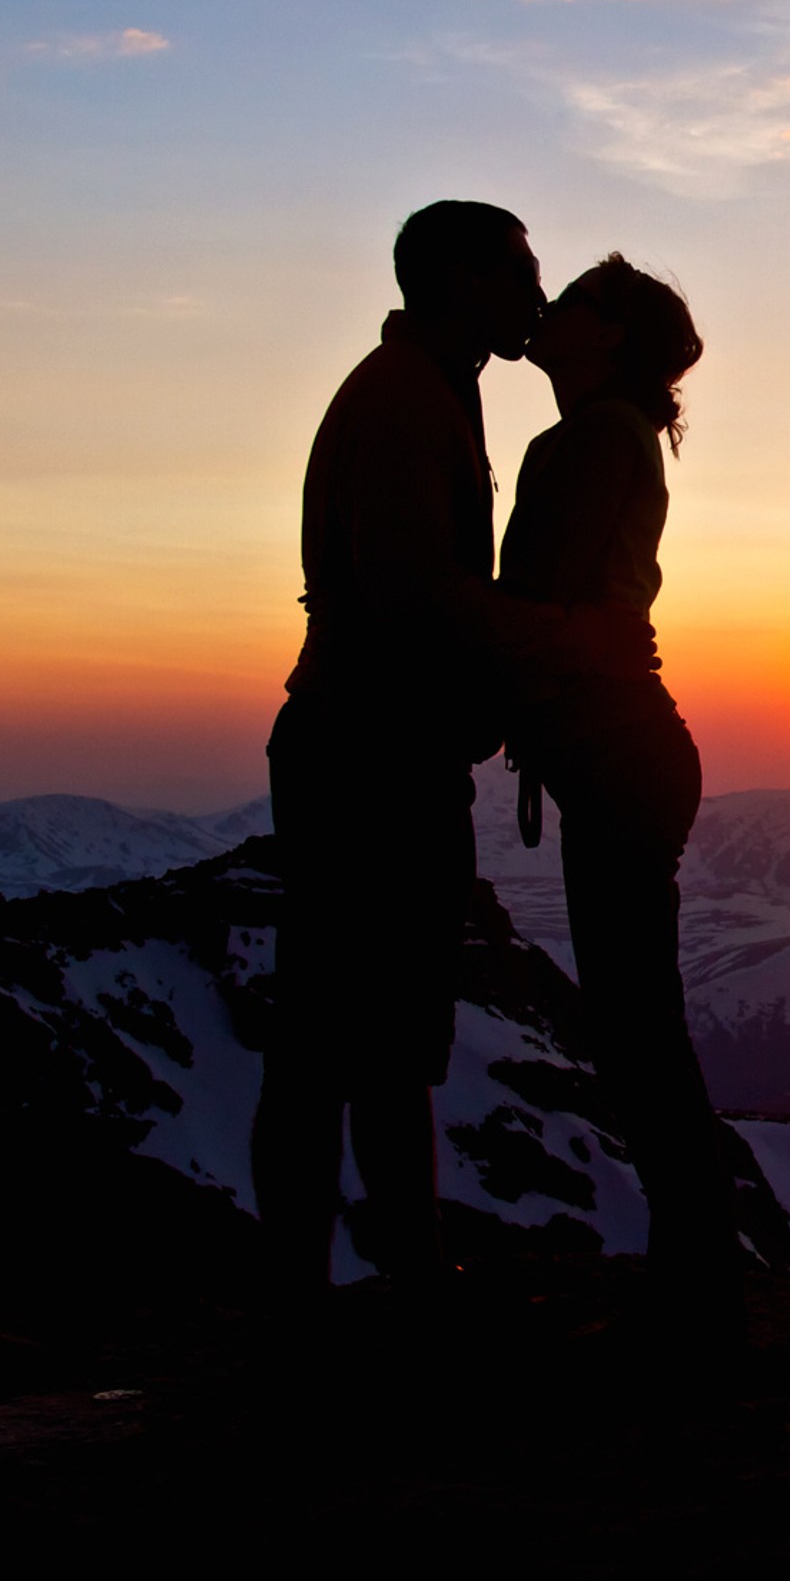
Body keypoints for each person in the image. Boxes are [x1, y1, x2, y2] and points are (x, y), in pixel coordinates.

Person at [251, 200, 552, 1303]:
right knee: (345, 1031)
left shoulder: (426, 390)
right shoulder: (405, 406)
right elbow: (412, 599)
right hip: (371, 752)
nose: (536, 293)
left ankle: (375, 1273)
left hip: (368, 742)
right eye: (519, 271)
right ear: (463, 280)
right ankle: (357, 1282)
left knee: (357, 1028)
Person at [498, 254, 742, 1331]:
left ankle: (697, 1259)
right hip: (623, 750)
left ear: (606, 337)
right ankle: (694, 1251)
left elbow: (537, 600)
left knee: (635, 1022)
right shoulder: (613, 437)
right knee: (637, 1016)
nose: (549, 309)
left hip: (613, 747)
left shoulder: (591, 438)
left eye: (575, 300)